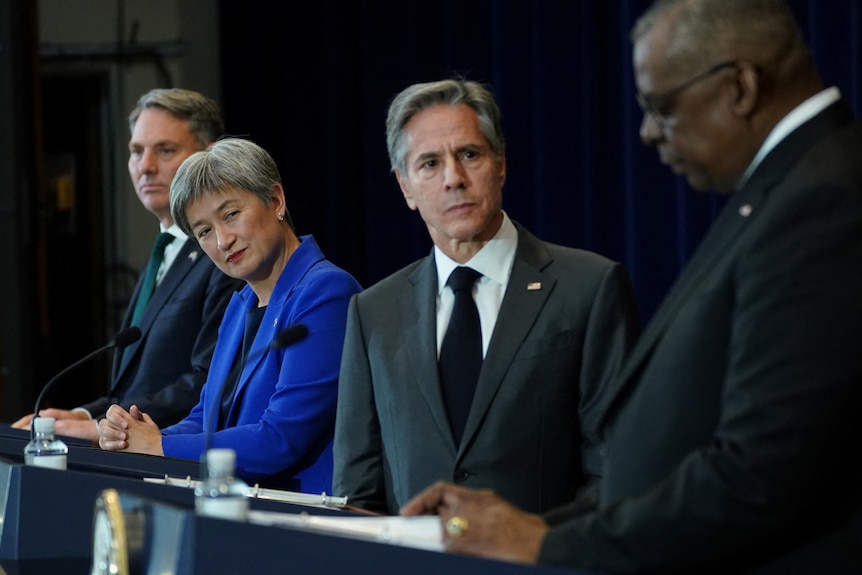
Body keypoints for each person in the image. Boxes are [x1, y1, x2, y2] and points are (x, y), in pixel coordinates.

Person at [401, 0, 862, 573]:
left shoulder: (825, 200)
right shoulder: (784, 191)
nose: (646, 133)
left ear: (740, 87)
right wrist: (528, 527)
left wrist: (546, 545)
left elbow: (763, 473)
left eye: (661, 108)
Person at [332, 78, 641, 515]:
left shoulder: (589, 287)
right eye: (429, 164)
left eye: (469, 155)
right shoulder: (374, 312)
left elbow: (615, 468)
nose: (453, 179)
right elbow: (357, 493)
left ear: (500, 164)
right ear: (405, 187)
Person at [98, 137, 362, 494]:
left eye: (231, 215)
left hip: (305, 517)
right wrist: (136, 434)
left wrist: (159, 447)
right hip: (238, 510)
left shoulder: (326, 292)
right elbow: (205, 418)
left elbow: (280, 438)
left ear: (276, 201)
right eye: (204, 231)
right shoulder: (239, 306)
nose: (222, 241)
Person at [12, 88, 242, 442]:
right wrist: (85, 413)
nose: (145, 166)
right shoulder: (166, 250)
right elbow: (143, 385)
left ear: (207, 155)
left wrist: (97, 426)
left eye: (165, 150)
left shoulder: (224, 254)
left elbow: (210, 380)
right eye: (137, 151)